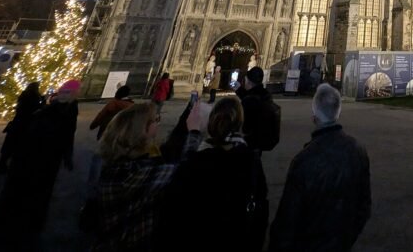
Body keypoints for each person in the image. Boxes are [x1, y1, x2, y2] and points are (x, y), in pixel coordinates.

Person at [90, 99, 209, 250]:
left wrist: (187, 116)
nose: (158, 123)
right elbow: (186, 171)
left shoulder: (118, 162)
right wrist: (194, 132)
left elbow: (170, 148)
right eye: (155, 120)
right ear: (141, 130)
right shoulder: (134, 175)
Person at [269, 83, 371, 251]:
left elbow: (287, 220)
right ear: (338, 112)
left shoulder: (304, 160)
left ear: (314, 116)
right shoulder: (358, 151)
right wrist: (347, 237)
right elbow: (364, 207)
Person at [0, 79, 80, 251]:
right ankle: (27, 227)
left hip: (26, 159)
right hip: (43, 161)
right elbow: (67, 134)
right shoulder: (60, 113)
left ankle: (5, 226)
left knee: (18, 192)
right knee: (36, 195)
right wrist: (66, 155)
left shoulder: (41, 111)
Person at [160, 97, 268, 249]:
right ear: (240, 124)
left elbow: (171, 212)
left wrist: (192, 133)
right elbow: (260, 212)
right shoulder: (251, 160)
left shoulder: (197, 161)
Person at [0, 81, 44, 174]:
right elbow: (35, 111)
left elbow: (19, 108)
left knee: (8, 147)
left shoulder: (23, 96)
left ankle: (1, 165)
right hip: (25, 126)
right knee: (18, 147)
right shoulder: (35, 97)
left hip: (16, 124)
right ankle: (12, 168)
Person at [240, 65, 278, 152]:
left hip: (249, 142)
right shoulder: (265, 93)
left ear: (248, 80)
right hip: (261, 138)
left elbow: (244, 126)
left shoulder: (249, 100)